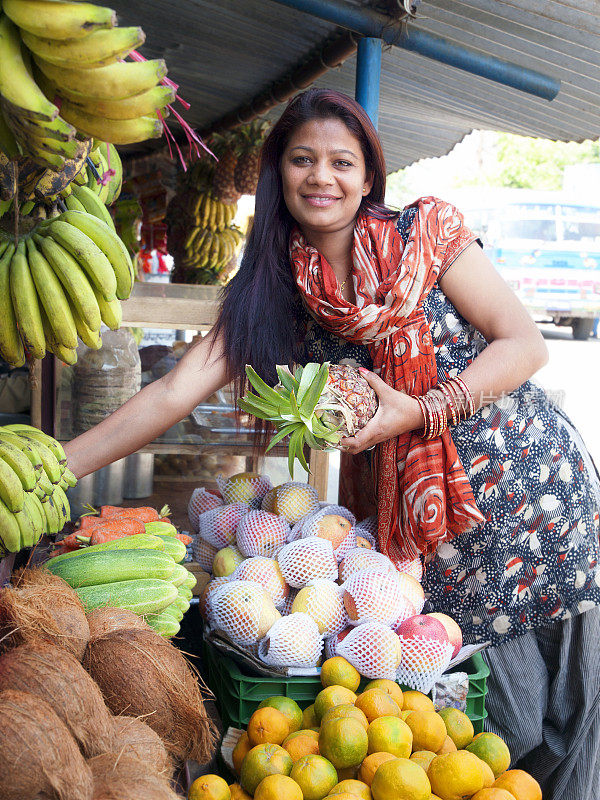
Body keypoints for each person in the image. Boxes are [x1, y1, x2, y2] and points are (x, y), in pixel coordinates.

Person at [64, 89, 600, 797]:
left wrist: (420, 409)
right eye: (303, 160)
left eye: (342, 162)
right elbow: (169, 394)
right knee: (490, 729)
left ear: (368, 175)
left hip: (530, 490)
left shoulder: (427, 234)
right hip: (423, 526)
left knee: (569, 719)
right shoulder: (273, 289)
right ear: (277, 174)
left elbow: (524, 343)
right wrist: (55, 469)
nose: (323, 177)